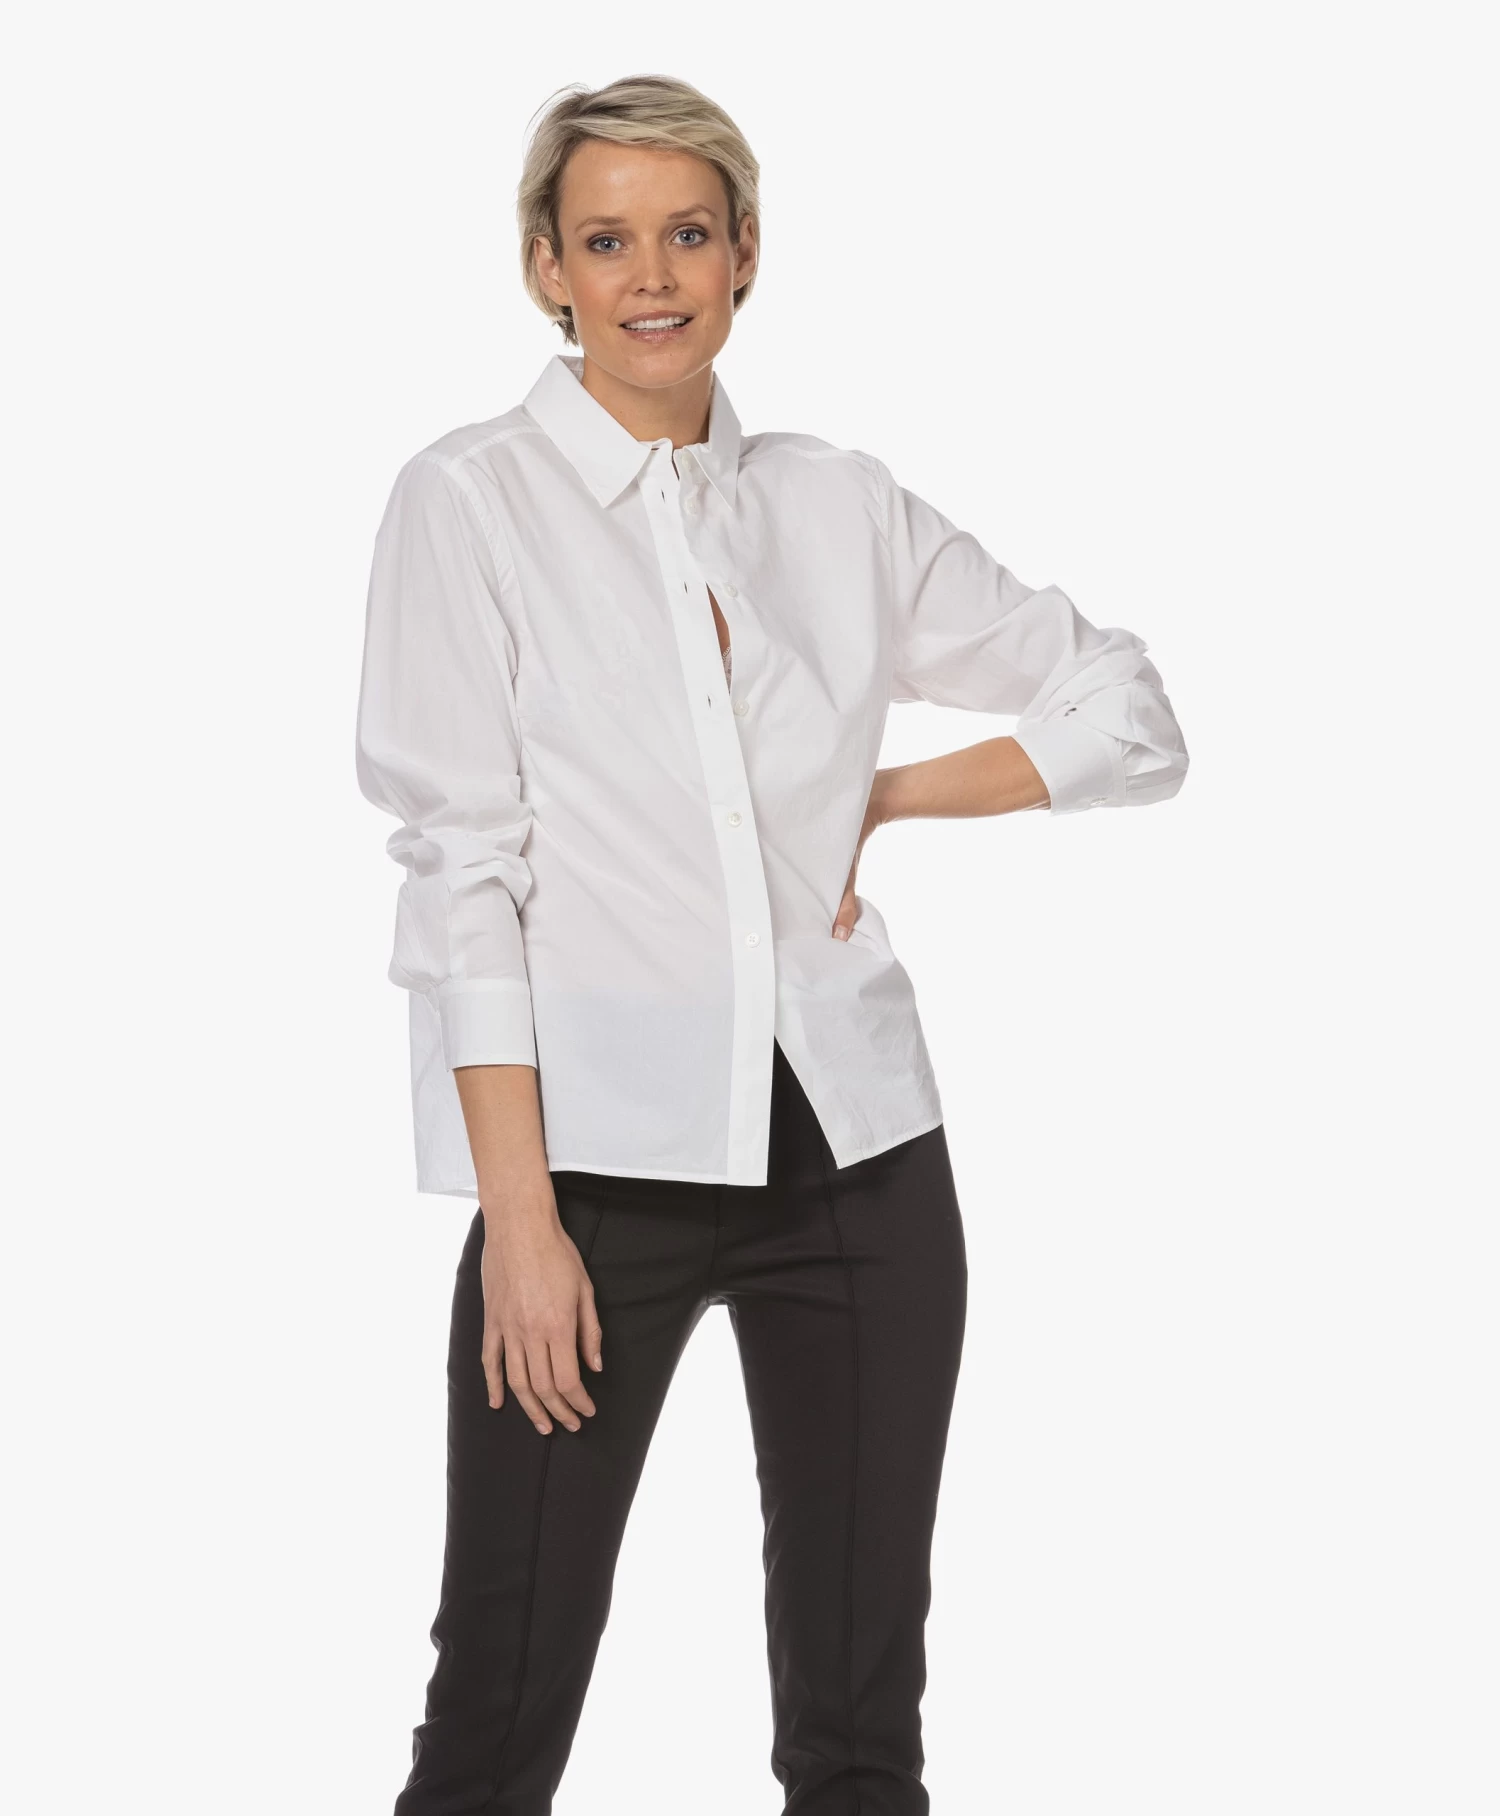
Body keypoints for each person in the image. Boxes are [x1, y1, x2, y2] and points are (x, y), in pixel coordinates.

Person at [355, 71, 1188, 1816]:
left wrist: (890, 793)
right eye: (606, 241)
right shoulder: (469, 503)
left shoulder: (835, 504)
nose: (651, 275)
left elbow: (1129, 713)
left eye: (688, 233)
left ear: (745, 252)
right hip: (593, 1178)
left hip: (865, 1166)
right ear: (545, 269)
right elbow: (462, 877)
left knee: (860, 1737)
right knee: (496, 1721)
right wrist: (521, 1222)